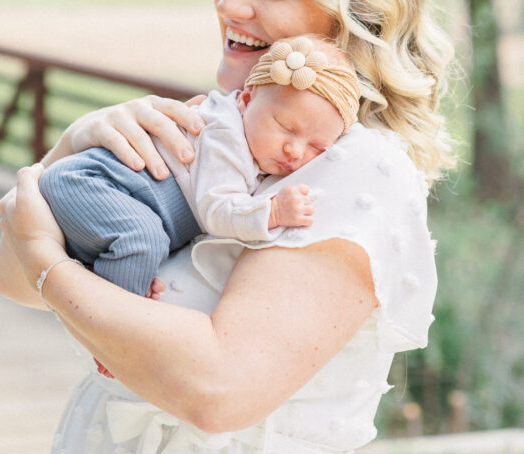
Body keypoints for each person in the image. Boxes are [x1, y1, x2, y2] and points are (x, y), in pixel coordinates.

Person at [0, 0, 454, 454]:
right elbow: (10, 284)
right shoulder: (219, 125)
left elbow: (218, 389)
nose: (231, 1)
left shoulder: (357, 170)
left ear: (350, 21)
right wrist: (65, 158)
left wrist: (53, 267)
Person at [38, 34, 360, 299]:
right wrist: (271, 212)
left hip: (99, 202)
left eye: (317, 147)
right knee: (142, 239)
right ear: (246, 100)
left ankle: (116, 284)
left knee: (139, 255)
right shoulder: (226, 134)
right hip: (89, 184)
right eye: (284, 126)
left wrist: (133, 273)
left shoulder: (255, 141)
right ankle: (107, 331)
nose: (294, 149)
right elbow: (217, 212)